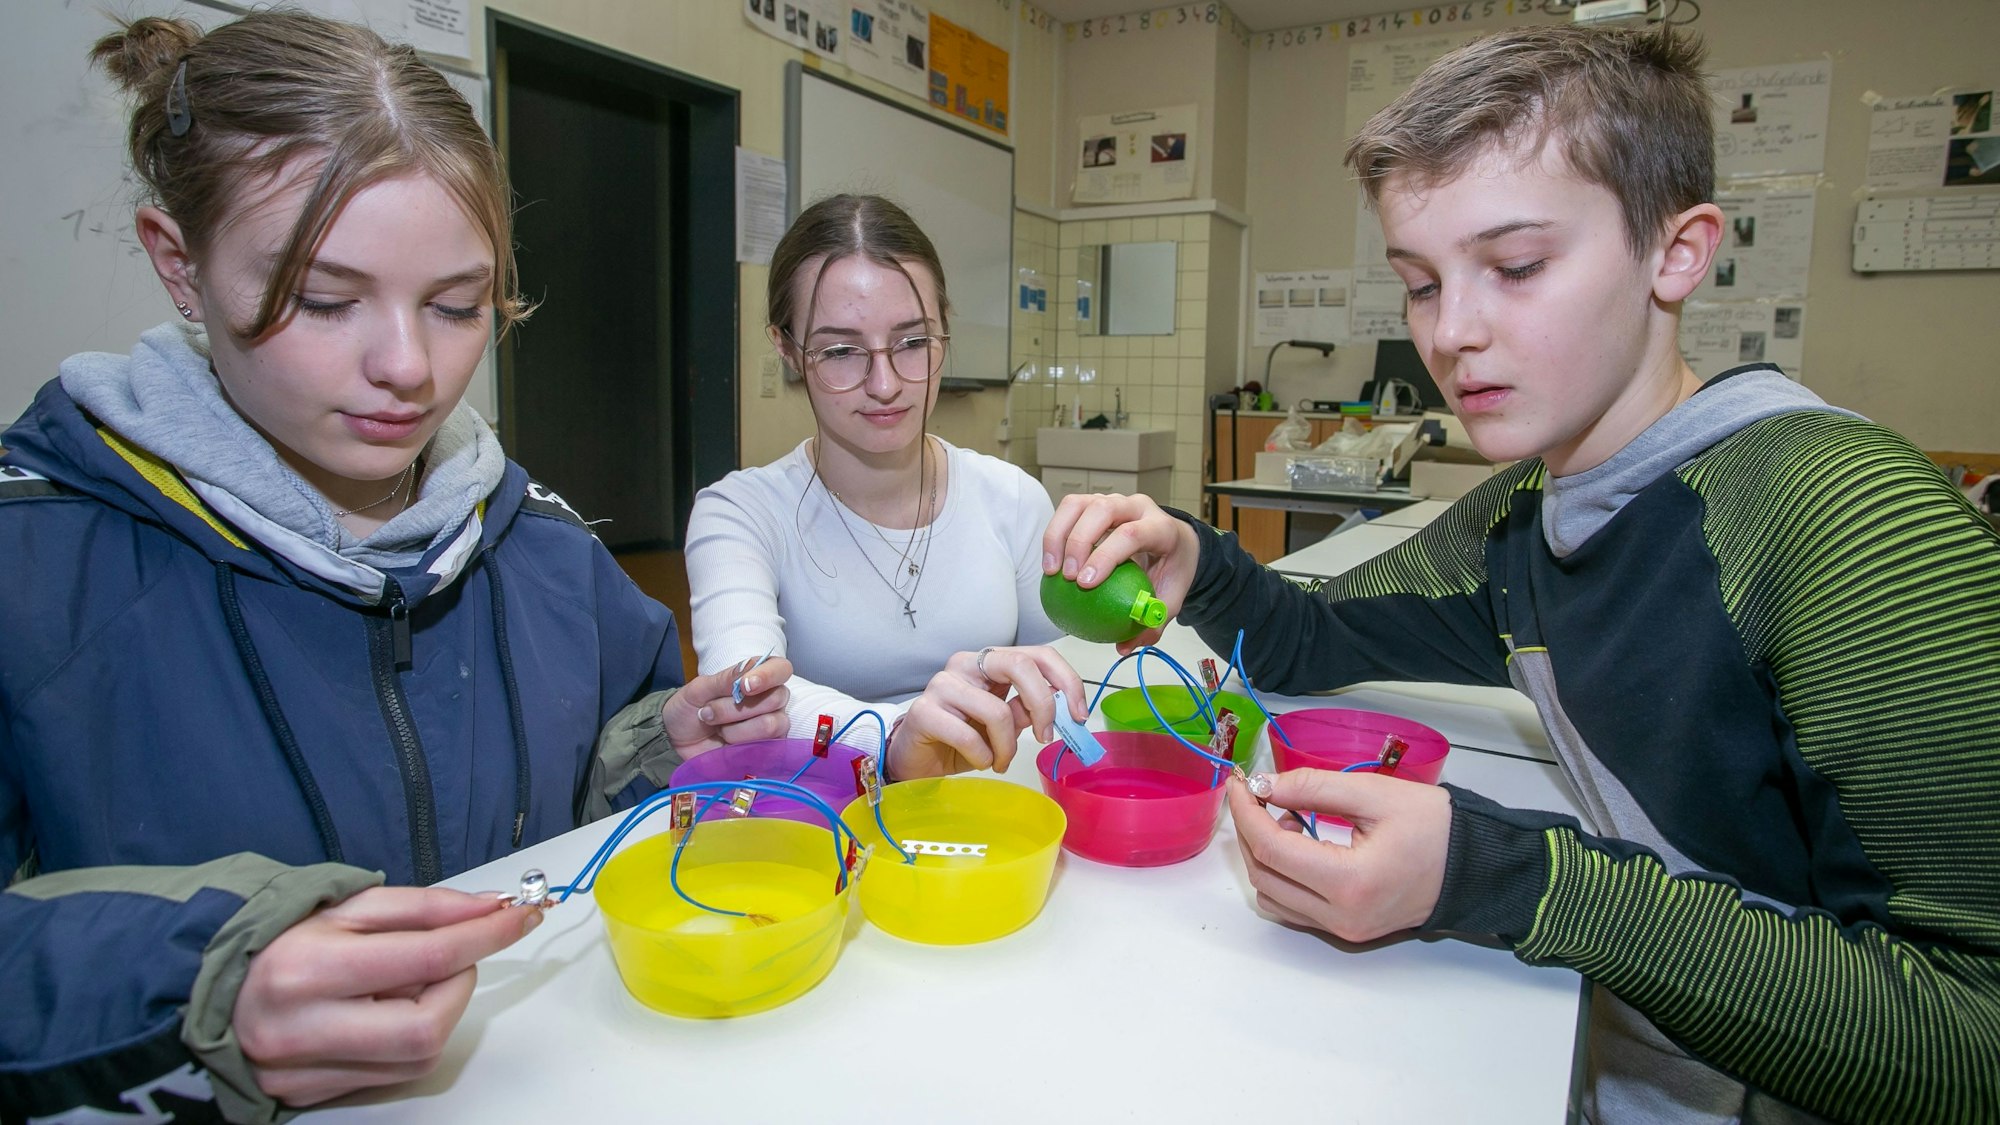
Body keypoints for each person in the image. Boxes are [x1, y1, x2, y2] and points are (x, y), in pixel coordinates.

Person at [1043, 25, 2000, 1125]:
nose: (1450, 334)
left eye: (1515, 268)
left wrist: (1502, 874)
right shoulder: (1523, 519)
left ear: (1674, 252)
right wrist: (1195, 556)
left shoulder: (1845, 523)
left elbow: (1972, 1039)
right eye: (1418, 283)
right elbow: (1312, 638)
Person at [0, 13, 790, 1122]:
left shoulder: (549, 551)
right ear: (178, 264)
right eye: (326, 301)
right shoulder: (33, 563)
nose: (409, 370)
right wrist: (188, 986)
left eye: (459, 306)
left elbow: (607, 752)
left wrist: (664, 749)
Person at [686, 194, 1083, 782]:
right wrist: (897, 738)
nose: (885, 384)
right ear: (787, 348)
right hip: (829, 825)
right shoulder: (740, 514)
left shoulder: (1012, 498)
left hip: (994, 811)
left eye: (913, 342)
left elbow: (1067, 683)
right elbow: (752, 700)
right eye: (842, 351)